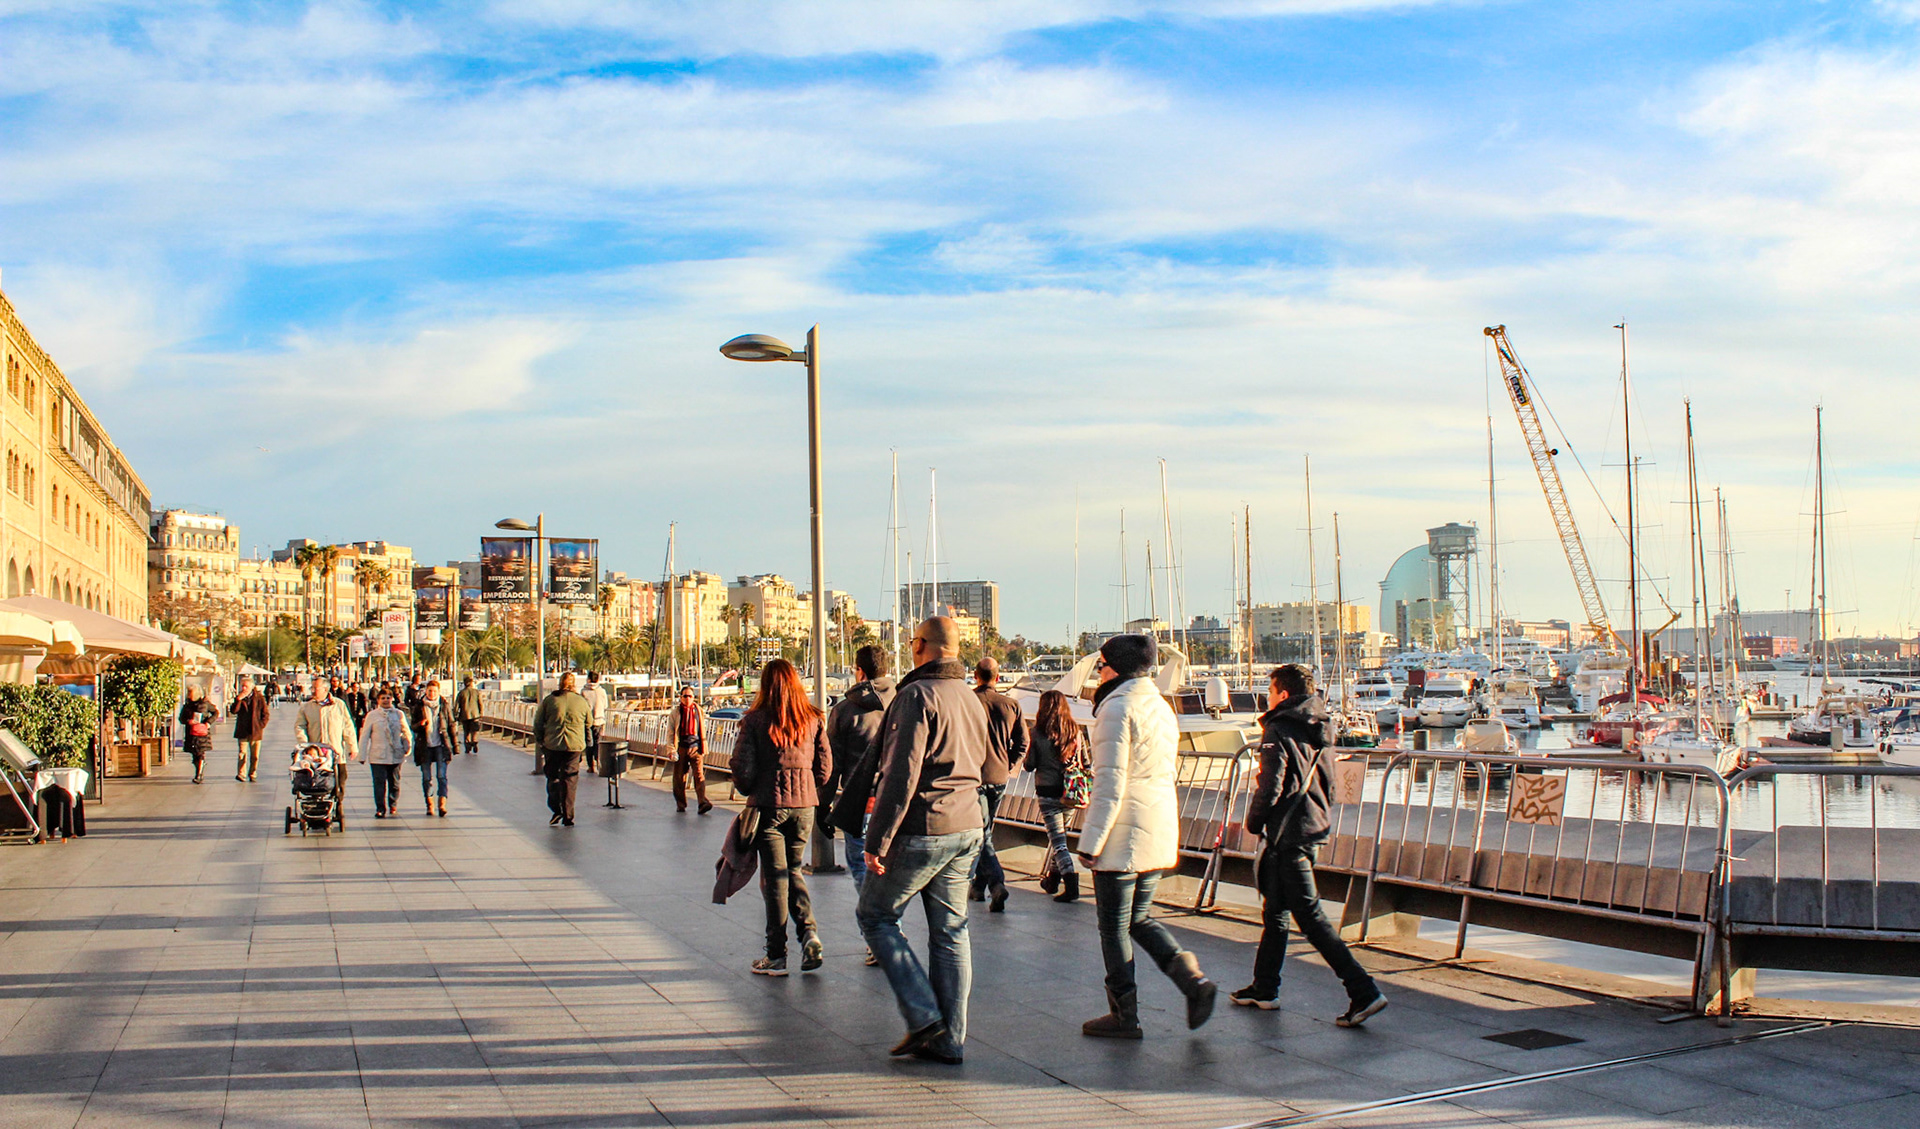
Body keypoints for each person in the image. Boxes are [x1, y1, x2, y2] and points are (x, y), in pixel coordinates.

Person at [856, 616, 989, 1066]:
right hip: (968, 825)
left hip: (925, 825)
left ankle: (923, 1015)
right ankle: (950, 1039)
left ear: (920, 646)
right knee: (951, 931)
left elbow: (901, 774)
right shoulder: (970, 697)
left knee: (875, 915)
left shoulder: (916, 695)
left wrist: (877, 839)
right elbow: (990, 764)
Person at [1076, 633, 1217, 1039]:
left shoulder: (1116, 708)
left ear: (1115, 668)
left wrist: (1091, 842)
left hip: (1122, 833)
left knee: (1113, 927)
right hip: (1157, 825)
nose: (1098, 673)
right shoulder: (1161, 706)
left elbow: (1109, 782)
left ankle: (1124, 1014)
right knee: (1139, 918)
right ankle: (1192, 980)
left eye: (1101, 665)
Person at [1234, 663, 1387, 1027]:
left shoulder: (1279, 728)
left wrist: (1254, 822)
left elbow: (1271, 785)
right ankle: (1264, 987)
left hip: (1288, 835)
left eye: (1270, 691)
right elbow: (1329, 783)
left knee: (1310, 916)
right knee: (1275, 910)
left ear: (1283, 694)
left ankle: (1363, 990)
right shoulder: (1321, 725)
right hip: (1312, 826)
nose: (1268, 698)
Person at [730, 659, 833, 976]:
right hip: (804, 807)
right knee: (793, 870)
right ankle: (809, 934)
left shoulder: (755, 720)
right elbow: (825, 769)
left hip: (770, 807)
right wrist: (806, 785)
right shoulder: (813, 719)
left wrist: (753, 786)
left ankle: (776, 955)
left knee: (776, 879)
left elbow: (742, 770)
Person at [826, 645, 896, 893]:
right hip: (897, 802)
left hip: (860, 802)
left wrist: (823, 806)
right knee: (890, 873)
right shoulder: (903, 704)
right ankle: (884, 913)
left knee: (861, 868)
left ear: (860, 672)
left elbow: (832, 765)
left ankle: (874, 914)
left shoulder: (844, 711)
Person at [969, 657, 1028, 912]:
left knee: (982, 834)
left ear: (975, 675)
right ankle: (978, 886)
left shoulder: (967, 702)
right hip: (999, 777)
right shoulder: (1011, 705)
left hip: (973, 777)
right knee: (986, 832)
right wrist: (1009, 764)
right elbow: (1023, 742)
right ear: (998, 676)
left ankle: (996, 884)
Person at [1028, 688, 1086, 903]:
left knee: (1058, 841)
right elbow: (1086, 762)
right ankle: (1052, 880)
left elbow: (1029, 765)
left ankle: (1071, 883)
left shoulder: (1037, 733)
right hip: (1071, 792)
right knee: (1059, 836)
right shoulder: (1075, 731)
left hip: (1047, 791)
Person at [533, 671, 591, 826]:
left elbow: (538, 723)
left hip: (552, 745)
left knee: (553, 777)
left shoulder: (550, 700)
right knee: (570, 780)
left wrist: (540, 740)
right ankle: (568, 815)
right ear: (574, 684)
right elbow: (589, 723)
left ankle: (556, 808)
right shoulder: (581, 701)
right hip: (574, 745)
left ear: (560, 683)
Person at [295, 676, 361, 804]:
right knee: (316, 783)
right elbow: (300, 726)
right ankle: (316, 804)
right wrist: (304, 743)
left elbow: (348, 726)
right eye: (312, 688)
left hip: (335, 752)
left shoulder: (338, 705)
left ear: (325, 689)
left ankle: (337, 804)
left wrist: (352, 747)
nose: (312, 691)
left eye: (316, 688)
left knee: (340, 780)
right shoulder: (306, 707)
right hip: (316, 754)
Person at [359, 687, 411, 818]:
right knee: (379, 783)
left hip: (395, 754)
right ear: (378, 700)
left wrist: (407, 746)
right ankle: (380, 808)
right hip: (378, 755)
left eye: (388, 698)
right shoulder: (372, 715)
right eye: (383, 698)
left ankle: (393, 804)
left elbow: (406, 732)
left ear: (392, 699)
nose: (386, 700)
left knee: (395, 783)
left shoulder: (398, 714)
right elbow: (364, 736)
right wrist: (362, 755)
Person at [411, 679, 459, 818]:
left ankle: (442, 804)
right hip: (424, 746)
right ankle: (429, 804)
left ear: (438, 692)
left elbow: (451, 725)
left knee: (441, 776)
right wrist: (420, 724)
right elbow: (412, 726)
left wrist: (455, 745)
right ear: (426, 691)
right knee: (427, 777)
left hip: (441, 745)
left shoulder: (444, 705)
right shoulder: (419, 706)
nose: (432, 694)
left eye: (434, 691)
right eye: (429, 691)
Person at [670, 686, 712, 814]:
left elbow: (702, 729)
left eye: (690, 696)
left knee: (699, 775)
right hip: (681, 747)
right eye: (685, 696)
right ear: (681, 698)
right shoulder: (676, 713)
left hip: (696, 747)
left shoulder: (699, 711)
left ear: (693, 698)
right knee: (679, 777)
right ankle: (681, 804)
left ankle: (702, 802)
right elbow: (670, 732)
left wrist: (703, 747)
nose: (687, 698)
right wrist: (671, 749)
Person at [230, 676, 270, 782]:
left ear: (252, 687)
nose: (243, 688)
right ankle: (241, 774)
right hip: (243, 730)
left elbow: (265, 713)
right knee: (242, 753)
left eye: (246, 686)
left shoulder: (259, 698)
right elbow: (234, 711)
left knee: (254, 755)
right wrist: (238, 700)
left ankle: (252, 773)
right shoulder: (239, 698)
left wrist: (261, 725)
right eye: (242, 686)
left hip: (255, 730)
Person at [178, 686, 219, 785]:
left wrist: (208, 722)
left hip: (201, 732)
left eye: (191, 693)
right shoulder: (187, 705)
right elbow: (181, 718)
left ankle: (199, 774)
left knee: (200, 752)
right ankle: (199, 768)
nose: (189, 695)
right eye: (188, 693)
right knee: (194, 754)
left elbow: (215, 712)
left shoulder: (205, 703)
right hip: (191, 733)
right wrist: (188, 721)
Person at [581, 671, 609, 768]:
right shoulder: (602, 691)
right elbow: (605, 705)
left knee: (589, 743)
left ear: (588, 679)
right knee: (597, 742)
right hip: (599, 720)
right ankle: (598, 762)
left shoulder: (584, 691)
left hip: (587, 721)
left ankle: (590, 766)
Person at [455, 676, 483, 755]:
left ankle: (467, 746)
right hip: (475, 715)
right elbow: (480, 704)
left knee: (466, 731)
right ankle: (474, 741)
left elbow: (457, 705)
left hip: (464, 715)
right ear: (471, 683)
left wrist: (455, 714)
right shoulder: (477, 692)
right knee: (474, 730)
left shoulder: (461, 693)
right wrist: (481, 713)